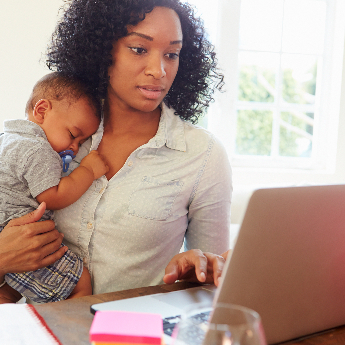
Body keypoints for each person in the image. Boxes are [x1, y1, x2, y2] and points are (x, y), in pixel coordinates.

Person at [0, 0, 232, 297]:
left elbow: (215, 285)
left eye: (172, 54)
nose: (159, 70)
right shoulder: (57, 132)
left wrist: (194, 273)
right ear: (103, 50)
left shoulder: (203, 155)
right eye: (139, 49)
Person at [0, 72, 109, 303]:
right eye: (73, 135)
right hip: (16, 233)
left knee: (13, 290)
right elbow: (53, 196)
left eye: (81, 143)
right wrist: (87, 171)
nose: (75, 148)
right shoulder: (38, 149)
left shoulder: (7, 137)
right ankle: (67, 332)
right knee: (82, 282)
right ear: (41, 111)